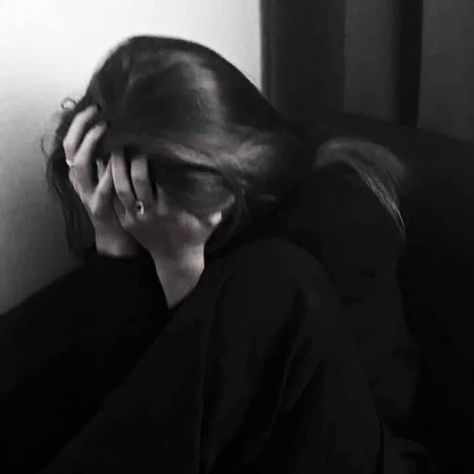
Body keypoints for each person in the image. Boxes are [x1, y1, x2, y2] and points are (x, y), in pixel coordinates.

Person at [0, 35, 432, 473]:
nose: (135, 214)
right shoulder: (147, 228)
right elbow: (121, 397)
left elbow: (362, 410)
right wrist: (114, 245)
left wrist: (181, 270)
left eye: (137, 202)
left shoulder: (334, 211)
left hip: (352, 451)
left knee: (272, 279)